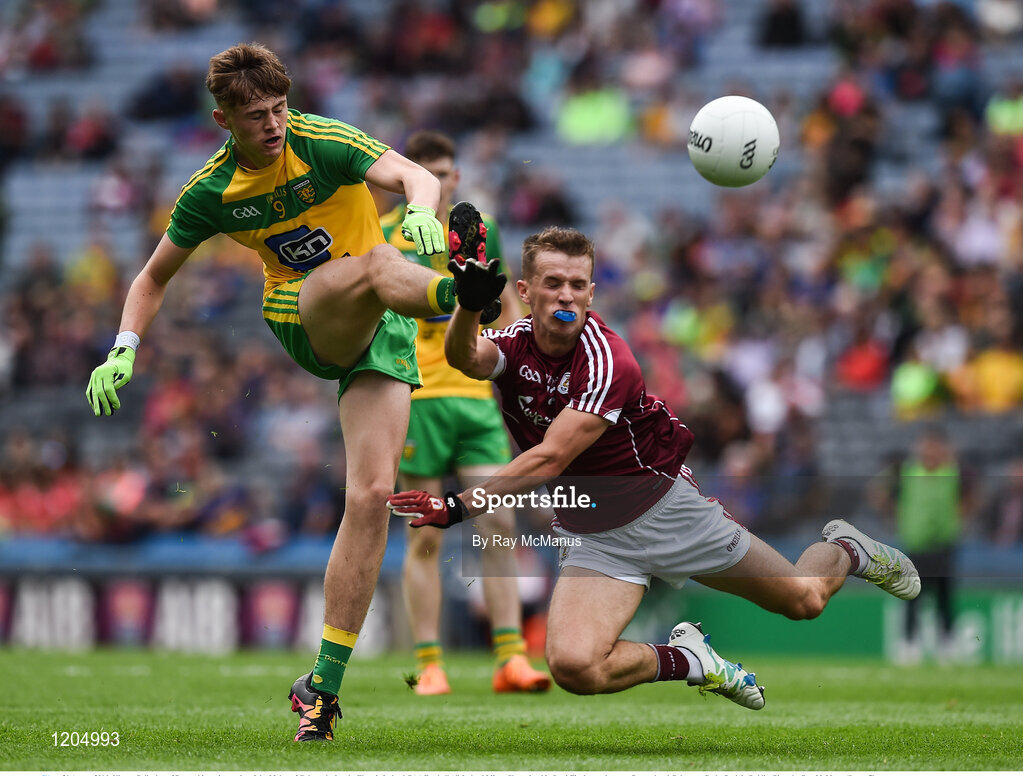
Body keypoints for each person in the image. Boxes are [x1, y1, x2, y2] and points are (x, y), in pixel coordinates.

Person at [84, 43, 504, 742]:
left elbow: (409, 176)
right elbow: (152, 277)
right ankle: (459, 294)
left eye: (279, 109)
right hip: (302, 313)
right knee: (376, 261)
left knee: (372, 498)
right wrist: (123, 349)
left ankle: (321, 691)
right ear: (224, 119)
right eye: (256, 116)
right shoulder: (210, 192)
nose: (274, 124)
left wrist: (426, 206)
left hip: (384, 329)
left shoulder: (323, 138)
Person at [388, 226, 921, 708]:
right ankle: (690, 660)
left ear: (593, 292)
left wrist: (456, 506)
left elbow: (551, 458)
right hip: (594, 531)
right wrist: (466, 306)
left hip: (664, 511)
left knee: (804, 600)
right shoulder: (513, 341)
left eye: (579, 283)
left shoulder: (608, 360)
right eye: (553, 283)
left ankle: (848, 548)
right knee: (573, 666)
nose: (567, 295)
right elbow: (465, 359)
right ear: (525, 292)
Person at [379, 131, 550, 695]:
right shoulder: (380, 237)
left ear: (455, 178)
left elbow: (509, 311)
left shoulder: (483, 230)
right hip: (415, 397)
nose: (440, 180)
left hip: (474, 399)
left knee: (498, 525)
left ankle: (511, 659)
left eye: (447, 171)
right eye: (426, 170)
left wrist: (516, 372)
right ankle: (430, 663)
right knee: (425, 535)